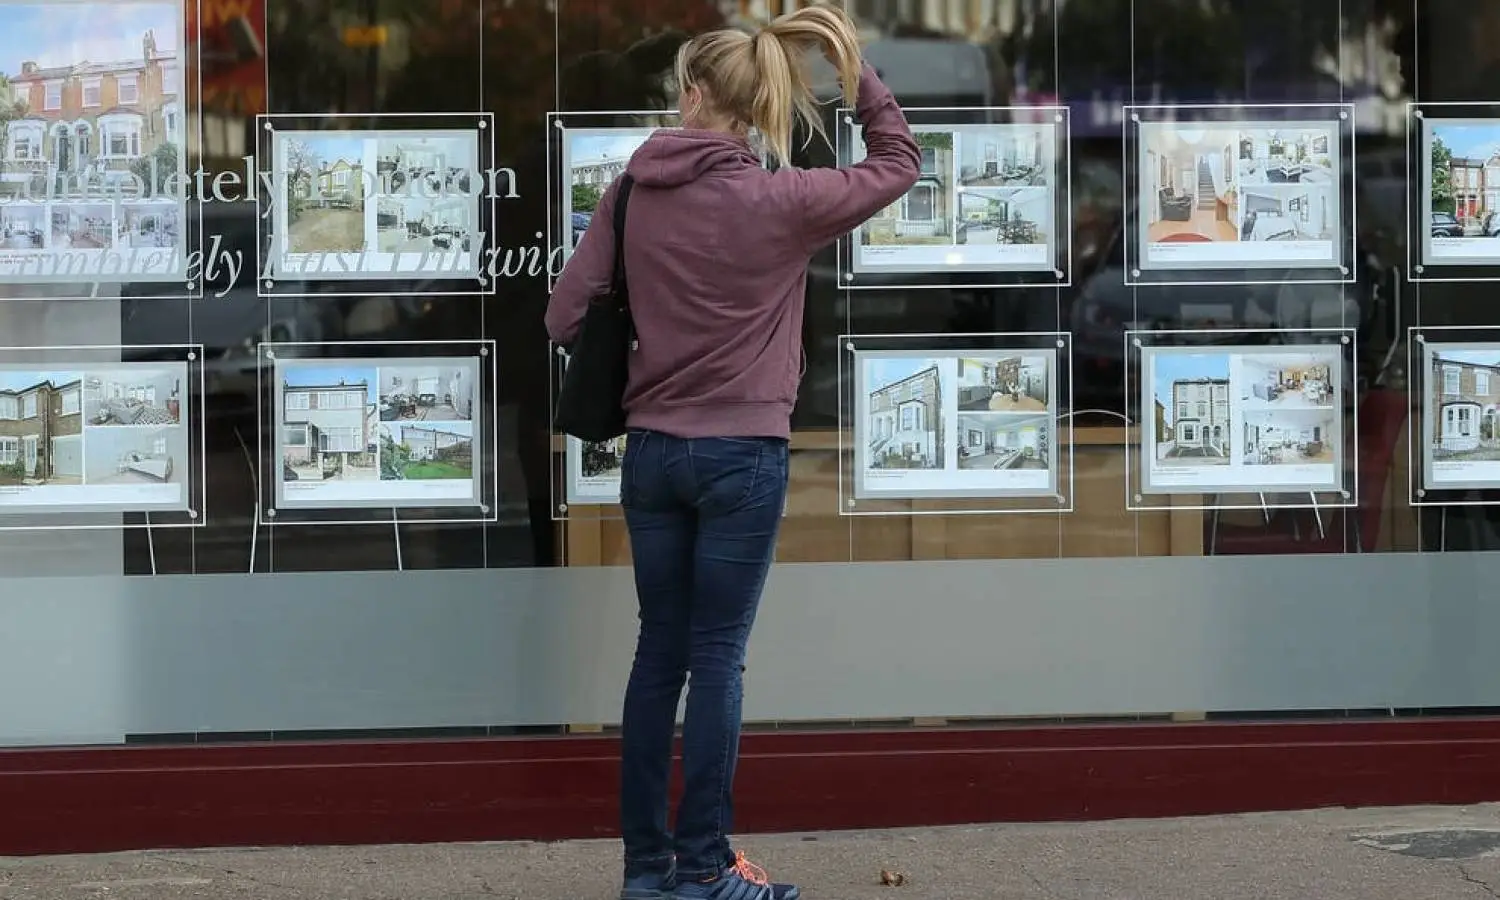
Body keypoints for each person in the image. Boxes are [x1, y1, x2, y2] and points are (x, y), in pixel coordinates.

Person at [545, 4, 919, 899]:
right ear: (756, 109)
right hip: (743, 454)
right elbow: (898, 161)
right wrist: (853, 70)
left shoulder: (631, 192)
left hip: (652, 453)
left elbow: (564, 316)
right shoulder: (782, 202)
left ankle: (647, 871)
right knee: (717, 657)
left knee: (657, 656)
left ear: (691, 93)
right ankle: (706, 869)